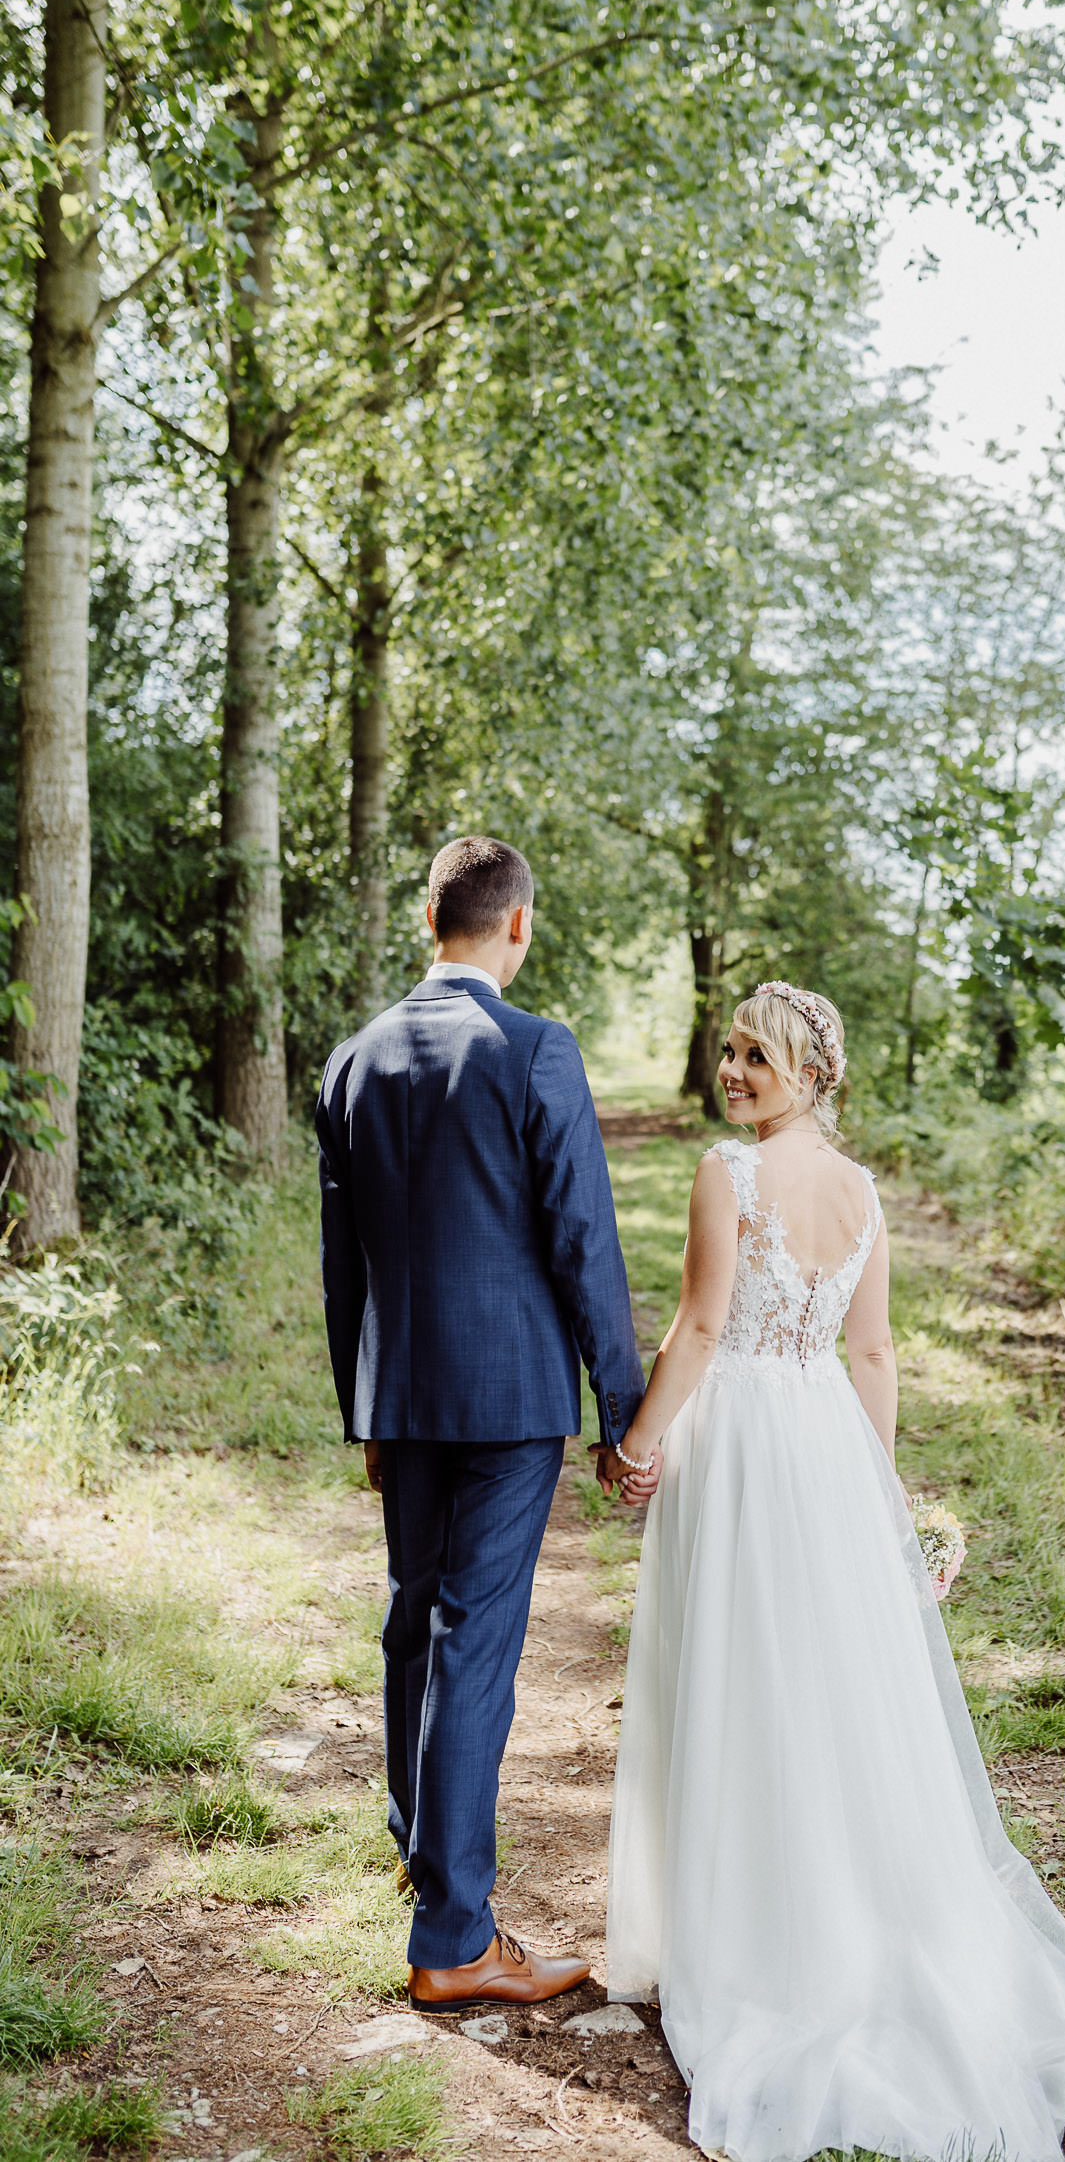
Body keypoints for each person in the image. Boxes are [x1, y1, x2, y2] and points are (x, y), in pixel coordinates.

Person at [604, 980, 1065, 2162]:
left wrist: (638, 1445)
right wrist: (876, 1490)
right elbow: (873, 1353)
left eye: (763, 1056)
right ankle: (822, 1911)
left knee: (743, 1677)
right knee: (825, 1690)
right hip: (823, 1451)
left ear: (813, 1074)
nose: (736, 1069)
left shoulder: (726, 1175)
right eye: (734, 1048)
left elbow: (699, 1331)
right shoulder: (861, 1194)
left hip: (742, 1442)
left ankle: (755, 1936)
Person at [317, 836, 647, 2014]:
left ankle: (428, 1853)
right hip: (509, 1402)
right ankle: (454, 1936)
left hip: (400, 1396)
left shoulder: (352, 1059)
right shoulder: (533, 1049)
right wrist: (627, 1409)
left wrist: (359, 1402)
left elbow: (341, 1263)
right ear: (519, 927)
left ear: (428, 920)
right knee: (475, 1646)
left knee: (417, 1618)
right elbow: (583, 1243)